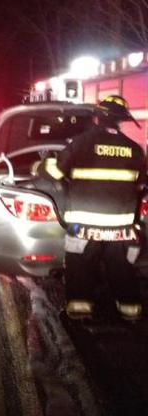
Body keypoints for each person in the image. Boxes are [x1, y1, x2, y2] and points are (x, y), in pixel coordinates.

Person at [42, 94, 145, 321]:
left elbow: (55, 173)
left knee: (79, 267)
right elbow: (140, 186)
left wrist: (43, 164)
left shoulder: (80, 143)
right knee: (122, 269)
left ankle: (80, 310)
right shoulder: (135, 150)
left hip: (84, 225)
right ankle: (130, 309)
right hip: (121, 226)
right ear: (120, 121)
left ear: (97, 118)